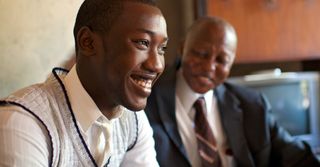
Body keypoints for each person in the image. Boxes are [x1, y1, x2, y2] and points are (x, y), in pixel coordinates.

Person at [0, 0, 168, 166]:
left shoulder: (133, 120)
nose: (157, 65)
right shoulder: (23, 122)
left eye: (162, 49)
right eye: (142, 43)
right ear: (88, 42)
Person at [145, 16, 320, 167]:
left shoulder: (252, 105)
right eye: (201, 54)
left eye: (221, 60)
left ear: (231, 64)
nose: (209, 67)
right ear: (182, 48)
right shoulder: (147, 99)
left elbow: (296, 157)